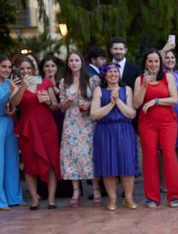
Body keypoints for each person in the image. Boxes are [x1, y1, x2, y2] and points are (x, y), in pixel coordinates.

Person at [133, 49, 178, 208]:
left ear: (160, 63)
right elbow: (136, 104)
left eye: (156, 61)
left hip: (167, 122)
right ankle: (152, 197)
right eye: (150, 61)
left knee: (169, 155)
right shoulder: (139, 80)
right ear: (145, 63)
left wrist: (154, 101)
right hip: (147, 124)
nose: (153, 64)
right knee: (149, 157)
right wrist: (144, 86)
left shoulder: (168, 77)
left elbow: (174, 99)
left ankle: (174, 195)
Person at [11, 56, 60, 209]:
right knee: (29, 163)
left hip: (47, 126)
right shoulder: (16, 84)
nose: (26, 71)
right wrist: (23, 87)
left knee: (51, 161)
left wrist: (47, 102)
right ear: (18, 70)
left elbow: (55, 106)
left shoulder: (44, 82)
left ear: (33, 68)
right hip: (28, 128)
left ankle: (51, 199)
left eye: (28, 68)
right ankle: (34, 199)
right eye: (22, 68)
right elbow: (15, 104)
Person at [90, 64, 138, 210]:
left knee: (127, 164)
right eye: (110, 72)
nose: (113, 74)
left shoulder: (127, 90)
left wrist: (117, 101)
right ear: (105, 75)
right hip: (105, 131)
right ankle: (112, 199)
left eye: (116, 71)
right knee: (107, 165)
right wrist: (111, 104)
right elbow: (94, 114)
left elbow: (131, 114)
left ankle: (128, 198)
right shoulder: (99, 90)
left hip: (124, 130)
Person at [59, 51, 102, 207]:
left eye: (76, 60)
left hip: (88, 122)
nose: (74, 63)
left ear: (82, 62)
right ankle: (76, 190)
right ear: (68, 63)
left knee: (90, 154)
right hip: (71, 122)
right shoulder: (64, 82)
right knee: (72, 155)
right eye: (71, 60)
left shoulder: (92, 80)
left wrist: (89, 104)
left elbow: (99, 100)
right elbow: (61, 107)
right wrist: (68, 102)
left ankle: (96, 188)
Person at [0, 56, 23, 210]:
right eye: (3, 67)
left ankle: (13, 197)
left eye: (9, 67)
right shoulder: (9, 86)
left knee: (11, 161)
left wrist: (13, 109)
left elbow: (13, 104)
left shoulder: (10, 83)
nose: (7, 70)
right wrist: (10, 92)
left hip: (9, 124)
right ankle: (1, 200)